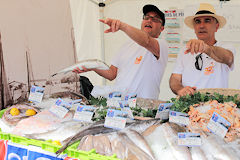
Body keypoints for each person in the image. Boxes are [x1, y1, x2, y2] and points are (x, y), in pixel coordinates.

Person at [73, 4, 168, 99]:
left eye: (155, 19)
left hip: (144, 108)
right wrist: (92, 66)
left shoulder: (161, 45)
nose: (149, 20)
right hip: (119, 106)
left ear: (162, 28)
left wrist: (122, 26)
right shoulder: (127, 45)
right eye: (146, 17)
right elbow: (111, 73)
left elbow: (146, 41)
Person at [169, 3, 235, 97]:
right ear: (194, 28)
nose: (201, 26)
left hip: (216, 107)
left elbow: (228, 58)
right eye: (198, 21)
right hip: (189, 106)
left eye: (207, 20)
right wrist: (180, 89)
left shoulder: (226, 47)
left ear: (216, 26)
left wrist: (205, 48)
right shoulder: (184, 50)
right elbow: (175, 79)